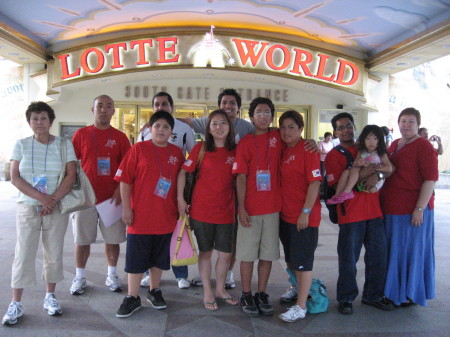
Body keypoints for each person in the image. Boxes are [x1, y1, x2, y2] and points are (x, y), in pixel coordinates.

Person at [2, 102, 76, 325]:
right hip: (28, 207)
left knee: (53, 252)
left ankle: (50, 297)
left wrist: (52, 200)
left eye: (43, 118)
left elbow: (71, 175)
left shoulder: (64, 144)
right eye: (34, 118)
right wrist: (41, 198)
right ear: (29, 122)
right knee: (23, 253)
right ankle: (16, 303)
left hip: (55, 207)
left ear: (51, 121)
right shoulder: (21, 145)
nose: (39, 122)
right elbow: (14, 177)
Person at [115, 110, 185, 318]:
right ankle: (132, 297)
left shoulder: (177, 153)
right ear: (149, 129)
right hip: (140, 217)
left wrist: (181, 201)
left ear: (171, 131)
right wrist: (126, 208)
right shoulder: (138, 149)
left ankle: (154, 291)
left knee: (159, 258)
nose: (161, 130)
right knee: (136, 259)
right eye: (157, 126)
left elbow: (182, 178)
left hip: (165, 216)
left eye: (166, 127)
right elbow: (125, 180)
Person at [182, 88, 252, 289]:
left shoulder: (247, 129)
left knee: (228, 246)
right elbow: (185, 121)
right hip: (202, 207)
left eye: (232, 103)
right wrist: (155, 120)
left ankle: (227, 275)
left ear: (238, 108)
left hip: (231, 203)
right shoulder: (202, 141)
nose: (228, 107)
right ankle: (206, 283)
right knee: (205, 248)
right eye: (224, 103)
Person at [324, 112, 394, 315]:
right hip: (350, 214)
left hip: (374, 212)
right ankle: (345, 297)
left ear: (355, 127)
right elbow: (339, 184)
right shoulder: (333, 156)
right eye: (341, 127)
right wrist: (368, 173)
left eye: (349, 126)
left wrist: (378, 173)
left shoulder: (368, 146)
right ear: (335, 132)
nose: (346, 130)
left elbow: (389, 168)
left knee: (378, 255)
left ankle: (373, 295)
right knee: (348, 258)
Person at [177, 109, 238, 310]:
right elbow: (183, 173)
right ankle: (207, 291)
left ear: (230, 127)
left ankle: (220, 289)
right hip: (201, 211)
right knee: (205, 253)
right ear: (208, 128)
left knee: (225, 255)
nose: (219, 127)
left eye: (223, 123)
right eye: (214, 124)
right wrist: (180, 199)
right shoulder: (200, 149)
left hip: (227, 212)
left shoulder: (236, 150)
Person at [69, 95, 131, 295]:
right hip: (85, 199)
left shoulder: (120, 137)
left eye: (108, 107)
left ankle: (111, 275)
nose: (104, 110)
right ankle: (79, 277)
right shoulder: (81, 134)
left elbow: (128, 168)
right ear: (92, 109)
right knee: (82, 240)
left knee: (112, 240)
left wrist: (119, 189)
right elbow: (71, 164)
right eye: (100, 106)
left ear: (114, 111)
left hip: (112, 198)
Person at [381, 108, 438, 307]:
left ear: (418, 124)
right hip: (392, 208)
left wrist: (419, 209)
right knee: (394, 252)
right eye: (403, 121)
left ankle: (408, 293)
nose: (406, 125)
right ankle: (393, 291)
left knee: (409, 252)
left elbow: (430, 179)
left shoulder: (423, 146)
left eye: (411, 122)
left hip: (411, 210)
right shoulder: (396, 144)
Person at [138, 92, 195, 290]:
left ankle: (181, 274)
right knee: (151, 233)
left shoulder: (184, 128)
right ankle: (148, 272)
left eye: (164, 104)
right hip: (150, 193)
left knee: (179, 231)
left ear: (172, 107)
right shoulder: (146, 129)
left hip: (175, 190)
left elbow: (192, 158)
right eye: (156, 104)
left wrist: (187, 193)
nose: (160, 107)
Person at [232, 97, 282, 317]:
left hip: (272, 208)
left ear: (272, 116)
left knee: (267, 254)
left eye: (267, 112)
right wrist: (241, 207)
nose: (263, 116)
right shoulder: (245, 142)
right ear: (251, 117)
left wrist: (309, 140)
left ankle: (261, 293)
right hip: (250, 209)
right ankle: (246, 293)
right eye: (259, 112)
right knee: (247, 255)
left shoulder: (279, 137)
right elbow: (240, 177)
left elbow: (298, 141)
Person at [277, 110, 322, 322]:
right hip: (285, 216)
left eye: (291, 127)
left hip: (304, 217)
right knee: (292, 259)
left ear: (301, 129)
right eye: (283, 127)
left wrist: (305, 212)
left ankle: (301, 306)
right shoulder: (284, 150)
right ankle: (296, 289)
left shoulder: (308, 149)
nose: (286, 131)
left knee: (304, 262)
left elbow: (315, 183)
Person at [327, 125, 393, 204]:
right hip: (361, 179)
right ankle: (339, 195)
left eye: (375, 139)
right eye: (367, 138)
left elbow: (389, 168)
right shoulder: (362, 151)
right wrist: (359, 163)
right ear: (363, 140)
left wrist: (376, 169)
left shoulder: (381, 153)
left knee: (365, 183)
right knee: (347, 171)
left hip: (374, 183)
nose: (371, 142)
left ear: (380, 140)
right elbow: (355, 164)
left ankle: (347, 191)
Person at [318, 132, 334, 199]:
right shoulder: (321, 143)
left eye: (330, 137)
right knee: (322, 173)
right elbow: (320, 151)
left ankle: (327, 186)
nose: (329, 138)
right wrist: (328, 152)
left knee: (329, 173)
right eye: (328, 137)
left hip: (329, 160)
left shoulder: (331, 143)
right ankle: (321, 188)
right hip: (322, 160)